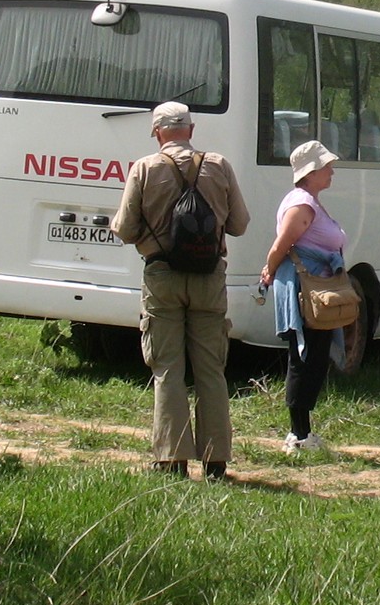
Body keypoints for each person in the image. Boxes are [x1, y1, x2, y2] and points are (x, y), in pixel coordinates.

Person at [110, 100, 251, 480]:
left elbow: (123, 229)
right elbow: (239, 224)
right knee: (211, 369)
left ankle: (171, 458)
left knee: (168, 368)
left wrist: (153, 236)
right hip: (209, 278)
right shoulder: (218, 165)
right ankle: (216, 458)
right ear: (191, 129)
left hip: (162, 278)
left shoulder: (145, 167)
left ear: (158, 132)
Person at [260, 140, 347, 454]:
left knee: (313, 357)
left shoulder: (310, 200)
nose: (332, 171)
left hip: (315, 290)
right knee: (305, 358)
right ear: (311, 172)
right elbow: (281, 244)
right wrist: (268, 271)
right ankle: (298, 434)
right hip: (305, 291)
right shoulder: (302, 204)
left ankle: (302, 430)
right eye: (326, 167)